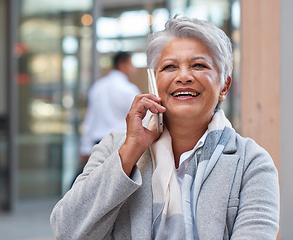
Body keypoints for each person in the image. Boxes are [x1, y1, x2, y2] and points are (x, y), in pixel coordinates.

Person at [50, 17, 280, 239]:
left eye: (199, 65)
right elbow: (67, 231)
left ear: (224, 86)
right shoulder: (114, 148)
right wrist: (131, 151)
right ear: (153, 83)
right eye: (169, 66)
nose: (183, 76)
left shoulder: (251, 163)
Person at [79, 52, 141, 165]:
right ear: (122, 64)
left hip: (97, 146)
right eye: (131, 64)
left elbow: (90, 119)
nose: (134, 69)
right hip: (120, 146)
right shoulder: (129, 90)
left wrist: (85, 147)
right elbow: (142, 120)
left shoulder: (98, 87)